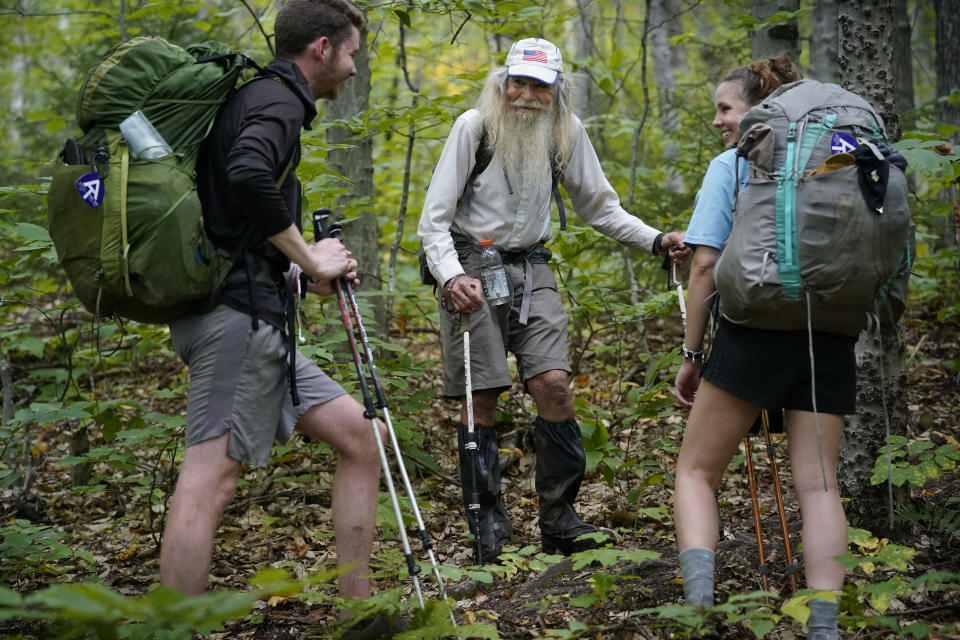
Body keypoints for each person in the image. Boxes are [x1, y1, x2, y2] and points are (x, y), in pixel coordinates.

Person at [418, 36, 689, 563]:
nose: (524, 95)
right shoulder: (472, 128)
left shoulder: (566, 133)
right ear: (502, 82)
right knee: (483, 396)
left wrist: (657, 239)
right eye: (516, 82)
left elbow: (601, 208)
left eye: (538, 86)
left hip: (532, 265)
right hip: (469, 263)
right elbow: (433, 222)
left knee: (555, 385)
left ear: (556, 90)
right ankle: (486, 524)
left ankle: (561, 520)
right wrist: (451, 277)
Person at [159, 0, 383, 612]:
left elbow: (233, 218)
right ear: (321, 48)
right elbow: (249, 174)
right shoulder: (278, 101)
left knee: (364, 438)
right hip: (235, 322)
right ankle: (171, 628)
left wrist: (293, 272)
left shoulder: (259, 99)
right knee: (209, 481)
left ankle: (355, 608)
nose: (354, 70)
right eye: (352, 55)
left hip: (251, 310)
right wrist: (311, 257)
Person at [672, 56, 847, 640]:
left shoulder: (733, 165)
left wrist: (693, 355)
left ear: (759, 111)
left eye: (726, 109)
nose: (719, 122)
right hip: (828, 330)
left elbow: (703, 265)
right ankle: (825, 628)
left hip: (752, 333)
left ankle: (699, 613)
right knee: (820, 484)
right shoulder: (838, 156)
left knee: (696, 471)